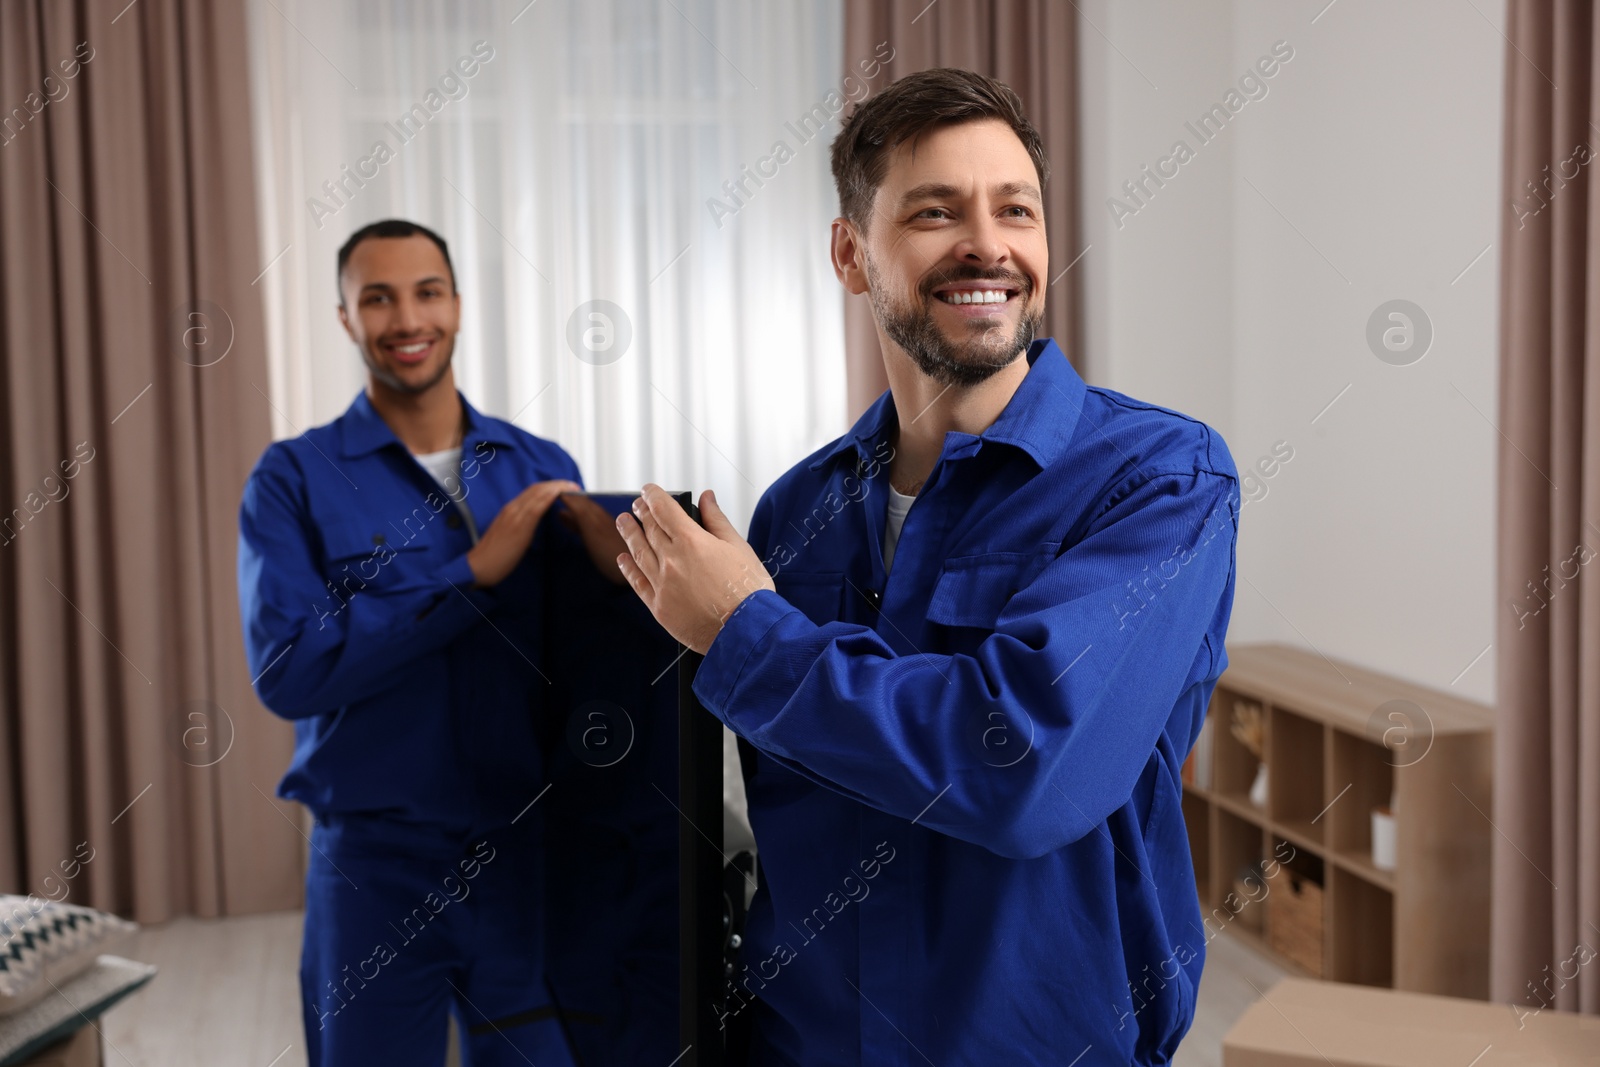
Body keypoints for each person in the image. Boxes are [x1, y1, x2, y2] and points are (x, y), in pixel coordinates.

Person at [615, 68, 1240, 1065]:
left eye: (1015, 209)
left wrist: (743, 630)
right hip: (809, 1040)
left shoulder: (1159, 480)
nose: (987, 245)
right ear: (850, 252)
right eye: (934, 212)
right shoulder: (793, 510)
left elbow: (1027, 768)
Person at [237, 219, 633, 1066]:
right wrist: (469, 577)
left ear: (456, 304)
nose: (405, 318)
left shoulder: (539, 467)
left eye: (425, 291)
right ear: (345, 318)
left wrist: (619, 576)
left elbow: (588, 669)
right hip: (376, 868)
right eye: (375, 297)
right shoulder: (293, 477)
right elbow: (289, 671)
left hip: (526, 855)